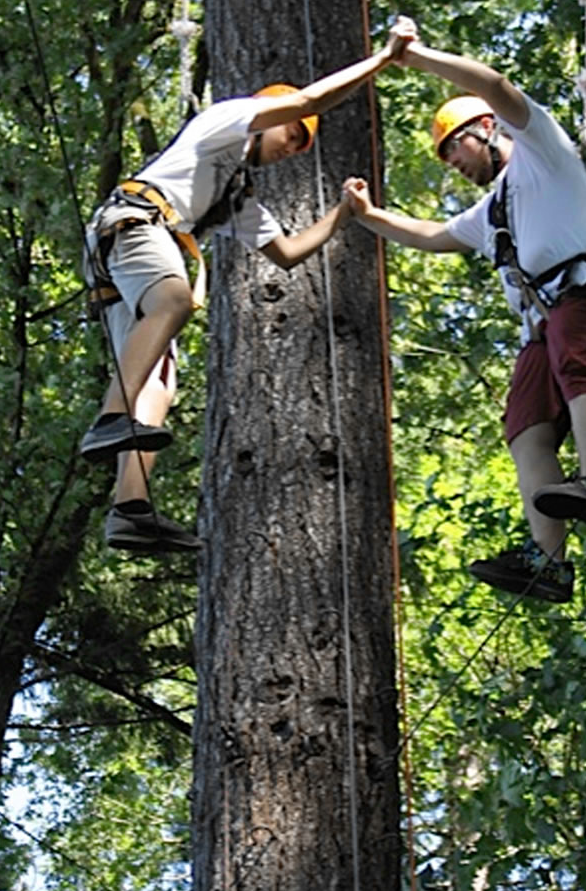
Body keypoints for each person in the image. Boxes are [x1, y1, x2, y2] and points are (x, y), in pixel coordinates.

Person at [343, 17, 586, 603]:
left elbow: (498, 85)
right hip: (547, 324)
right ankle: (548, 560)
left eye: (452, 147)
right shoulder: (489, 214)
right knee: (525, 429)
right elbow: (433, 235)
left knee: (581, 368)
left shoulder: (542, 151)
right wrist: (368, 216)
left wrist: (419, 57)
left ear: (484, 128)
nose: (449, 162)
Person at [81, 29, 412, 554]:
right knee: (173, 301)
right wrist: (383, 60)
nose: (294, 152)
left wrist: (343, 214)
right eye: (294, 138)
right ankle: (109, 418)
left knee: (161, 381)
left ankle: (129, 509)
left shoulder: (235, 190)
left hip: (134, 243)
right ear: (272, 117)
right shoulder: (224, 122)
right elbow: (308, 100)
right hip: (134, 223)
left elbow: (286, 253)